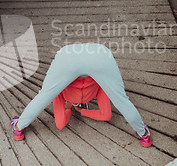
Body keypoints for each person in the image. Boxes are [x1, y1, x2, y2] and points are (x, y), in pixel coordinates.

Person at [10, 43, 152, 147]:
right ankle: (143, 135)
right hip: (100, 56)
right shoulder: (94, 86)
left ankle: (18, 127)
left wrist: (72, 108)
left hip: (67, 58)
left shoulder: (64, 92)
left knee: (44, 95)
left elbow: (49, 101)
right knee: (121, 99)